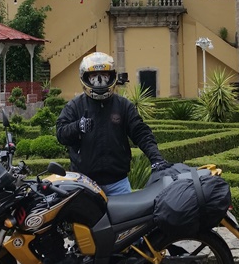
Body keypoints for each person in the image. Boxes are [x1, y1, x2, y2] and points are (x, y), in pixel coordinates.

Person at [55, 52, 170, 194]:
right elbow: (60, 134)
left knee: (127, 216)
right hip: (84, 181)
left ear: (112, 76)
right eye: (93, 77)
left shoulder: (123, 105)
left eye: (104, 76)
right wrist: (78, 126)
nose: (99, 81)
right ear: (85, 78)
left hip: (118, 183)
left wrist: (156, 158)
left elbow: (141, 133)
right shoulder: (75, 105)